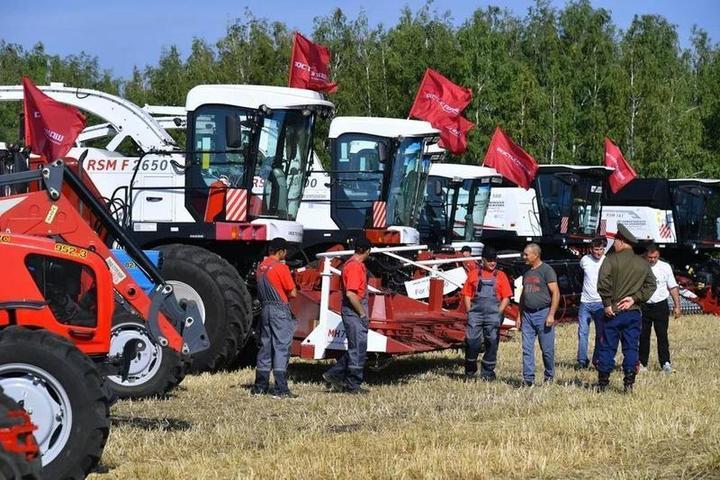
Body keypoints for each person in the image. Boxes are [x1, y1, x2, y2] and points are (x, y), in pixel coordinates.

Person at [596, 224, 656, 392]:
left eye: (615, 240)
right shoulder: (642, 263)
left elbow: (602, 283)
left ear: (622, 241)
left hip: (613, 312)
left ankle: (603, 383)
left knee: (608, 346)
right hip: (633, 312)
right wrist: (635, 298)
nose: (613, 243)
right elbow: (651, 285)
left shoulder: (611, 260)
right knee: (631, 347)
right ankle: (629, 381)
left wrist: (607, 303)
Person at [323, 236, 373, 394]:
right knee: (357, 348)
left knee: (357, 348)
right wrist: (363, 314)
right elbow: (351, 295)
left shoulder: (353, 265)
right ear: (367, 251)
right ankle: (352, 384)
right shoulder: (354, 267)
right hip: (354, 312)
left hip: (353, 311)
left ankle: (335, 375)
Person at [252, 237, 299, 398]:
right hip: (279, 309)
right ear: (281, 251)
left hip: (265, 308)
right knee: (281, 346)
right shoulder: (281, 268)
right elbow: (292, 293)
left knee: (266, 346)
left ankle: (260, 386)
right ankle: (280, 389)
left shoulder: (261, 267)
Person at [461, 246, 512, 381]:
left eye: (494, 260)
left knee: (492, 342)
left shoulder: (501, 275)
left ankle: (488, 372)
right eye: (489, 260)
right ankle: (470, 370)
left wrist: (499, 311)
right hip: (475, 314)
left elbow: (507, 296)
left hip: (493, 315)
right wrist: (469, 311)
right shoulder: (473, 274)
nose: (492, 263)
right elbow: (466, 294)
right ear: (482, 260)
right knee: (472, 342)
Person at [519, 243, 560, 386]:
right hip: (527, 315)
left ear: (535, 255)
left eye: (526, 254)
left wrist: (551, 314)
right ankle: (528, 379)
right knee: (527, 349)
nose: (524, 256)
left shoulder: (547, 271)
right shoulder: (526, 271)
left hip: (543, 314)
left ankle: (549, 376)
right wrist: (519, 315)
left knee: (547, 350)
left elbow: (556, 293)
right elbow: (523, 294)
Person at [640, 244, 681, 373]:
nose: (652, 260)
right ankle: (642, 363)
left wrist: (677, 306)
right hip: (644, 305)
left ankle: (665, 363)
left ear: (659, 255)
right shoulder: (640, 266)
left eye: (655, 257)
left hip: (660, 305)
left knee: (662, 336)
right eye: (650, 257)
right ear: (646, 256)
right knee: (643, 336)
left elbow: (673, 287)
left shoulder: (665, 267)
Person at [576, 237, 607, 369]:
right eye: (596, 249)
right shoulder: (585, 260)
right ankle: (582, 360)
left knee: (600, 333)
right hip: (585, 302)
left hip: (600, 302)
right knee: (582, 332)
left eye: (600, 249)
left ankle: (597, 359)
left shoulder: (607, 261)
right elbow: (579, 276)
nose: (598, 252)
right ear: (591, 249)